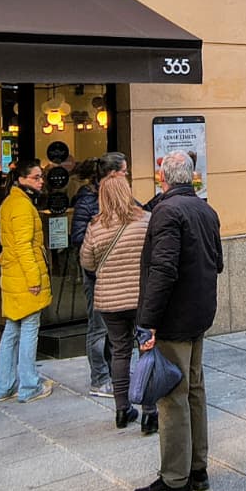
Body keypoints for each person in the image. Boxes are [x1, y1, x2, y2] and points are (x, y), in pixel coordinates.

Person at [132, 151, 223, 491]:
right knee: (195, 390)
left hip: (174, 318)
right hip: (199, 313)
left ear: (162, 176)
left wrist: (147, 320)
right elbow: (217, 261)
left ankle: (175, 480)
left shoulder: (168, 212)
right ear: (192, 176)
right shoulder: (205, 209)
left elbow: (164, 270)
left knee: (172, 396)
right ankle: (197, 469)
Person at [79, 171, 157, 432]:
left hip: (109, 301)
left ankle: (122, 410)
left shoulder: (95, 227)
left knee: (120, 352)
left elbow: (87, 262)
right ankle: (150, 411)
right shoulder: (145, 220)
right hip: (140, 298)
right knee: (146, 349)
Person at [0, 158, 53, 403]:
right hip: (24, 275)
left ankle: (4, 386)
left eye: (41, 177)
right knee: (29, 328)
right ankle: (29, 385)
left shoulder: (11, 203)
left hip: (12, 274)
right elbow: (24, 246)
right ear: (21, 180)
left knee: (12, 330)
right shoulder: (22, 207)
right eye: (36, 177)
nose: (41, 182)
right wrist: (34, 277)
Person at [71, 153, 129, 399]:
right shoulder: (87, 201)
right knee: (98, 327)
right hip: (96, 275)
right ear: (113, 173)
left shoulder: (123, 197)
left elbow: (138, 215)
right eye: (124, 171)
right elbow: (77, 238)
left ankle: (117, 373)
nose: (127, 175)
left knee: (120, 329)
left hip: (118, 273)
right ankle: (99, 378)